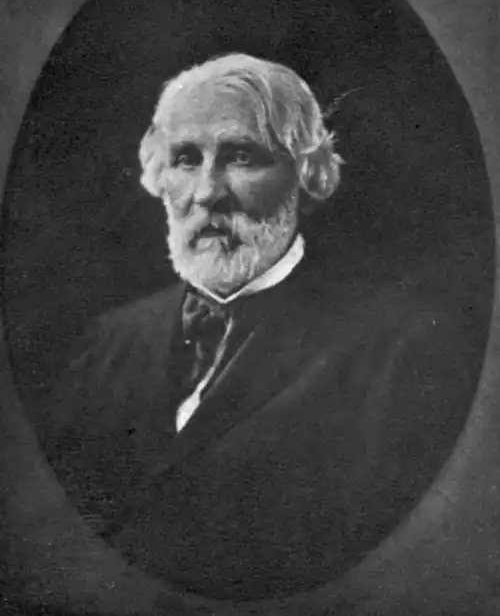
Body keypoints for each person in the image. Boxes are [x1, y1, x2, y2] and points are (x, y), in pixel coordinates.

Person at [45, 53, 476, 601]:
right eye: (185, 159)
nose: (207, 192)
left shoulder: (400, 350)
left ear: (307, 175)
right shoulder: (108, 340)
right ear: (159, 177)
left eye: (241, 156)